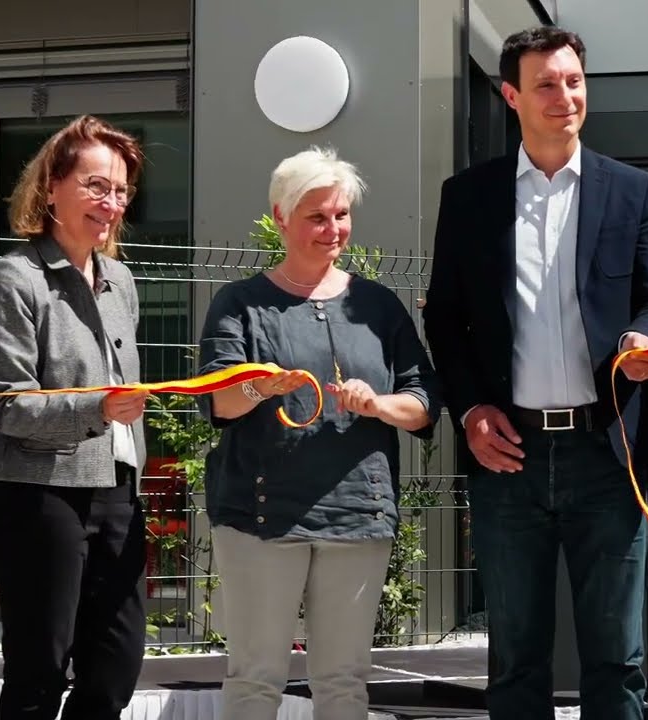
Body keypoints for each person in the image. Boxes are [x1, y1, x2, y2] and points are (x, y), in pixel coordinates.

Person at [424, 26, 648, 720]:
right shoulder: (469, 197)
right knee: (515, 660)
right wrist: (471, 411)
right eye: (546, 84)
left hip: (609, 453)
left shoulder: (632, 191)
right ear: (511, 96)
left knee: (617, 661)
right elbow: (445, 319)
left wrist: (646, 336)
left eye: (574, 81)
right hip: (509, 455)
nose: (565, 96)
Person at [196, 146, 440, 720]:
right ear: (280, 218)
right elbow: (219, 402)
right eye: (316, 217)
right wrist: (261, 387)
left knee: (344, 682)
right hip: (261, 516)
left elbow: (423, 403)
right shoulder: (240, 303)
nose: (333, 229)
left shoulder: (378, 306)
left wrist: (379, 404)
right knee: (255, 678)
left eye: (341, 215)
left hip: (358, 514)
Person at [0, 115, 150, 720]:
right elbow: (8, 406)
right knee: (39, 672)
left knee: (116, 664)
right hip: (40, 495)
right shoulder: (15, 277)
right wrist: (97, 408)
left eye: (121, 191)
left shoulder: (121, 280)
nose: (112, 203)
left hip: (120, 490)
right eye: (96, 186)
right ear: (51, 187)